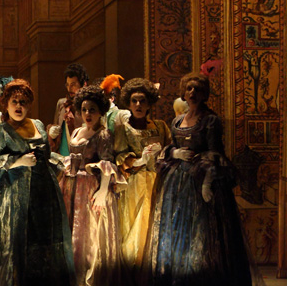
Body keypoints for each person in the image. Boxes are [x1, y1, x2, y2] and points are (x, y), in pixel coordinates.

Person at [144, 72, 262, 286]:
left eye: (197, 89)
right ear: (183, 93)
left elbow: (215, 153)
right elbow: (172, 147)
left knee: (203, 232)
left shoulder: (210, 120)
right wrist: (175, 153)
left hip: (202, 181)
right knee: (178, 229)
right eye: (189, 88)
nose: (193, 93)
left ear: (204, 94)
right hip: (178, 183)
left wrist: (208, 182)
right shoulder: (177, 120)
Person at [0, 79, 74, 286]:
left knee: (42, 241)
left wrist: (62, 162)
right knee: (15, 243)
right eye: (14, 102)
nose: (19, 106)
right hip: (12, 197)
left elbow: (45, 155)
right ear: (6, 104)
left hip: (43, 194)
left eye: (23, 102)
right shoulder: (0, 130)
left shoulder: (37, 125)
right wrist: (17, 161)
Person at [59, 86, 125, 286]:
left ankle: (87, 277)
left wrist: (103, 191)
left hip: (90, 188)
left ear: (101, 111)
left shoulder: (103, 135)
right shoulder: (77, 131)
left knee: (88, 233)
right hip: (71, 186)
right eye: (85, 109)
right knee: (72, 229)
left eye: (92, 110)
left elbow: (107, 164)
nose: (88, 114)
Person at [114, 77, 170, 277]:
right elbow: (119, 155)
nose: (138, 105)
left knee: (153, 228)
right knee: (134, 232)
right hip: (133, 185)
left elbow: (170, 151)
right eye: (134, 101)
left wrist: (162, 155)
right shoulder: (123, 128)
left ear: (149, 103)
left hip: (157, 183)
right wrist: (139, 160)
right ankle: (133, 276)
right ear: (128, 103)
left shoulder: (161, 127)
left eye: (142, 101)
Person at [49, 63, 88, 155]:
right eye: (67, 85)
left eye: (73, 84)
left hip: (81, 154)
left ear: (84, 84)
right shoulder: (62, 104)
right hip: (62, 156)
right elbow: (56, 126)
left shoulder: (87, 106)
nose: (69, 88)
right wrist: (52, 132)